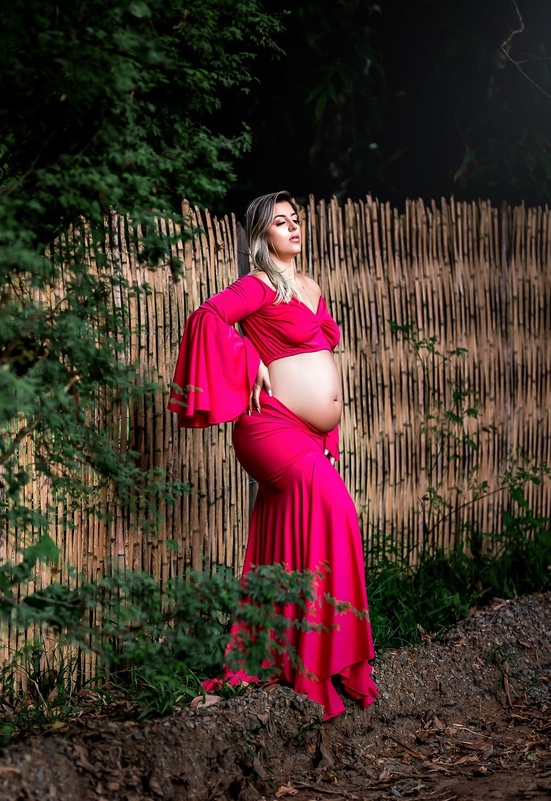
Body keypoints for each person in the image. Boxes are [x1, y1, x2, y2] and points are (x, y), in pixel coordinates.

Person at [167, 191, 377, 719]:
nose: (292, 227)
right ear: (262, 237)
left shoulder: (311, 288)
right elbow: (208, 317)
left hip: (307, 434)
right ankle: (313, 666)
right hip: (269, 428)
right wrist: (246, 360)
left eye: (295, 219)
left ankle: (286, 655)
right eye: (280, 222)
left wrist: (327, 440)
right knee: (338, 516)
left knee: (292, 539)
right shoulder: (259, 285)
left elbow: (320, 361)